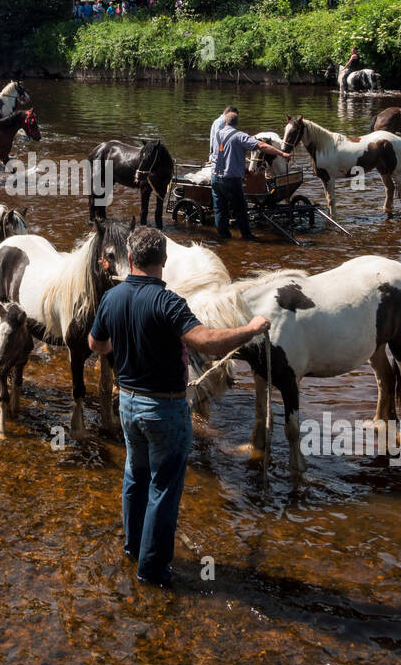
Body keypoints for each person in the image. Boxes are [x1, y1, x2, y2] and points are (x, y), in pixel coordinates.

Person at [87, 226, 272, 587]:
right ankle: (152, 571)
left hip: (128, 405)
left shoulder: (112, 298)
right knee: (164, 490)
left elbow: (96, 344)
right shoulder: (169, 302)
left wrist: (120, 345)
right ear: (164, 261)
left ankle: (133, 548)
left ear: (129, 259)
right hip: (165, 411)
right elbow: (207, 342)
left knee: (134, 478)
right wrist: (250, 329)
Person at [211, 110, 288, 240]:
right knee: (241, 209)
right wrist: (282, 154)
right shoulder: (239, 136)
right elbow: (262, 146)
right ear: (237, 123)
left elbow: (220, 154)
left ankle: (223, 238)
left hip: (215, 178)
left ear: (225, 122)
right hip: (231, 180)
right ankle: (247, 237)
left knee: (220, 210)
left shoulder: (216, 135)